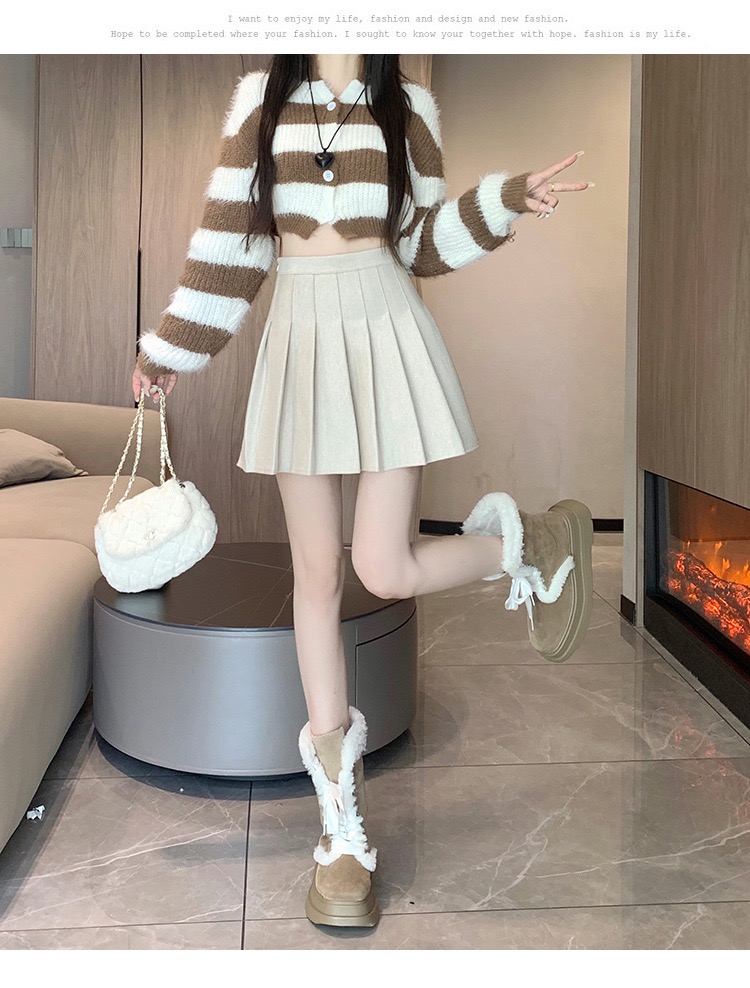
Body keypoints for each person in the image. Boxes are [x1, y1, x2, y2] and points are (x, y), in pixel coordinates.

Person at [132, 53, 595, 930]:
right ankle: (341, 835)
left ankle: (523, 544)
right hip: (300, 335)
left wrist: (504, 200)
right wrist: (167, 352)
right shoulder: (261, 101)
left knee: (383, 567)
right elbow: (232, 246)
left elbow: (420, 241)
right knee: (315, 575)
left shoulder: (405, 102)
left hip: (386, 329)